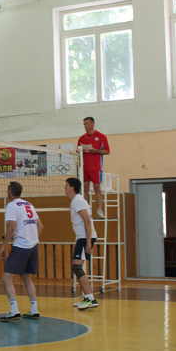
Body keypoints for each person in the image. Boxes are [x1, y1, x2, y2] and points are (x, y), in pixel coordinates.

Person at [0, 182, 44, 321]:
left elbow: (12, 228)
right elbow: (40, 226)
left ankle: (14, 311)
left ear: (10, 192)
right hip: (33, 246)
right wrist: (32, 238)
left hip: (21, 245)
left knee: (6, 278)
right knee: (26, 277)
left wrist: (3, 246)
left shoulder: (12, 205)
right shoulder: (29, 204)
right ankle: (34, 310)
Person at [65, 177, 99, 310]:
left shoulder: (77, 201)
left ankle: (90, 299)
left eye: (66, 185)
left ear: (72, 188)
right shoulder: (78, 200)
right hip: (83, 237)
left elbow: (87, 221)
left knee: (76, 267)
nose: (65, 188)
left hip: (85, 238)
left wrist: (88, 242)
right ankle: (88, 298)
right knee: (76, 267)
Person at [77, 117, 110, 219]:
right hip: (84, 167)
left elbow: (107, 151)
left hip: (96, 166)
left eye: (86, 124)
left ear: (92, 124)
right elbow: (78, 151)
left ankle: (99, 210)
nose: (85, 126)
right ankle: (86, 210)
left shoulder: (101, 136)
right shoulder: (82, 138)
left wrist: (96, 151)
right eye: (84, 124)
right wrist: (81, 151)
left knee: (97, 188)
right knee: (85, 189)